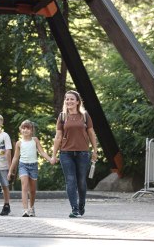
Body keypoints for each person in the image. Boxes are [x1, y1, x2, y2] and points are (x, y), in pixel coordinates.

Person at [50, 90, 98, 218]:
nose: (69, 101)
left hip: (83, 153)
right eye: (67, 99)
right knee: (70, 180)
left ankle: (81, 205)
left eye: (72, 99)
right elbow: (58, 136)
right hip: (66, 153)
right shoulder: (62, 116)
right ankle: (74, 209)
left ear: (77, 102)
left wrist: (95, 150)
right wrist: (54, 155)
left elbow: (91, 134)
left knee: (81, 181)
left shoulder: (85, 116)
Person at [8, 120, 52, 217]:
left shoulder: (35, 140)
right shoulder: (19, 143)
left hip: (33, 166)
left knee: (32, 190)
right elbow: (15, 158)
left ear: (32, 130)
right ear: (20, 130)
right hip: (23, 165)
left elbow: (42, 152)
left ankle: (31, 208)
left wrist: (50, 159)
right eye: (23, 128)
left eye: (28, 128)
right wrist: (10, 171)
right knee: (24, 187)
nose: (25, 130)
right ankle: (25, 210)